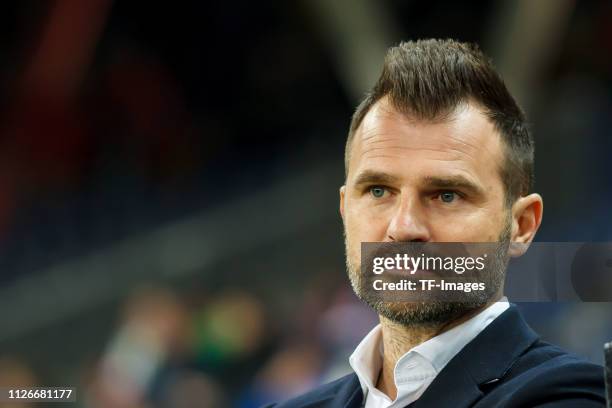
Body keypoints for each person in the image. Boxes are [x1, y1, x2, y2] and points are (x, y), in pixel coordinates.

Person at [269, 39, 606, 407]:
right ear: (345, 208)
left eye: (446, 195)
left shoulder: (571, 397)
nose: (404, 226)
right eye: (379, 191)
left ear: (522, 225)